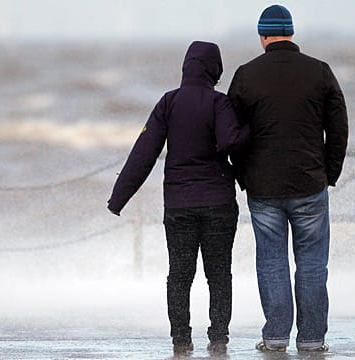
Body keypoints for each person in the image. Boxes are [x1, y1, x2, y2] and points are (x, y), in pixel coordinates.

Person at [107, 41, 248, 355]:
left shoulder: (168, 103)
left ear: (187, 66)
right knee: (219, 274)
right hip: (218, 205)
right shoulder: (219, 103)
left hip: (179, 205)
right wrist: (250, 128)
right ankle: (219, 338)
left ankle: (181, 341)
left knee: (180, 275)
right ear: (215, 69)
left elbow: (143, 154)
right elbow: (231, 143)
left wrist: (118, 199)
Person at [227, 4, 348, 353]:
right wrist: (330, 172)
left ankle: (276, 337)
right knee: (311, 265)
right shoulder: (320, 71)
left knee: (271, 262)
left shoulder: (246, 74)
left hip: (263, 187)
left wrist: (243, 173)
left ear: (262, 36)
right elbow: (338, 127)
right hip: (310, 182)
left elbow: (233, 132)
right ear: (291, 33)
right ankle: (312, 340)